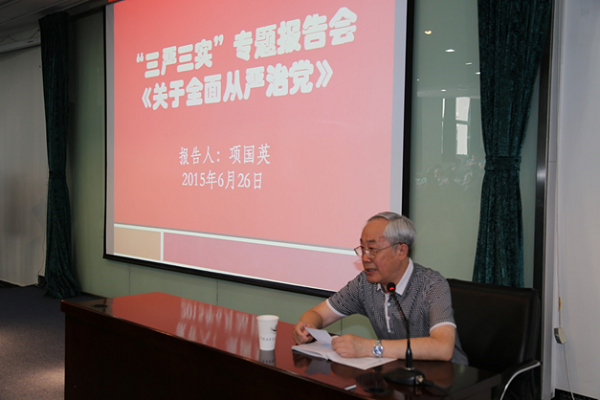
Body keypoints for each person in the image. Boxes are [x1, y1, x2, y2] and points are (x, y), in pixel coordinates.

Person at [293, 212, 468, 365]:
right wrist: (307, 326)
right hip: (396, 373)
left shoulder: (432, 285)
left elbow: (443, 348)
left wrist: (370, 347)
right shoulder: (365, 284)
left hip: (446, 379)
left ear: (401, 251)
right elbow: (318, 314)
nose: (365, 257)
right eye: (363, 249)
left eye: (373, 249)